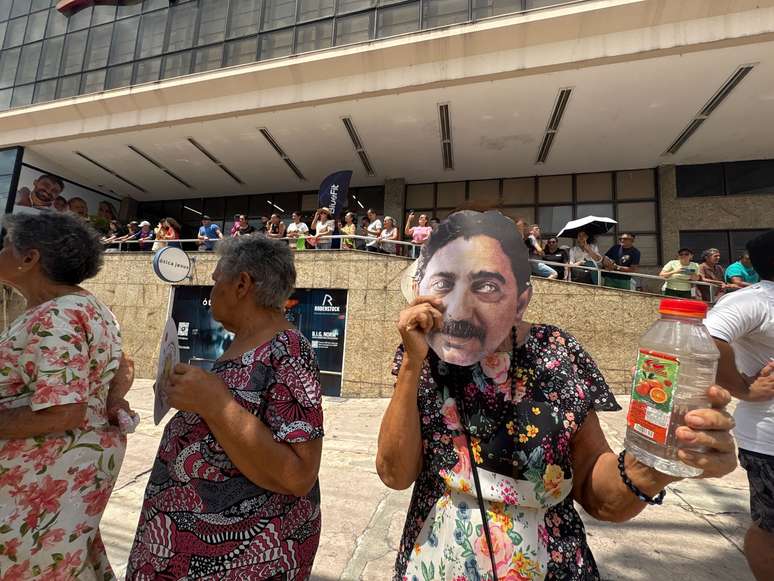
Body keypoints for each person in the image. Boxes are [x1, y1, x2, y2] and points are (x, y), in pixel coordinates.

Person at [376, 209, 737, 581]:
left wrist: (654, 463)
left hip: (553, 564)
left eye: (485, 286)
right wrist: (411, 365)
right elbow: (395, 474)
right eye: (444, 283)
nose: (461, 307)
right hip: (435, 561)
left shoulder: (557, 351)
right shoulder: (421, 355)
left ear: (521, 298)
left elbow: (596, 491)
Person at [127, 236, 324, 580]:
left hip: (237, 560)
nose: (211, 291)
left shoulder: (288, 349)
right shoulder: (248, 343)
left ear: (242, 284)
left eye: (216, 279)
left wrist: (214, 403)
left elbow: (299, 475)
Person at [0, 211, 135, 580]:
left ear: (30, 259)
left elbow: (63, 413)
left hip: (38, 474)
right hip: (67, 467)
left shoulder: (56, 317)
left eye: (5, 246)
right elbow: (122, 367)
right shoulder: (90, 308)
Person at [704, 230, 774, 581]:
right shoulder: (755, 300)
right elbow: (707, 338)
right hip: (769, 440)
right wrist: (743, 389)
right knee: (771, 528)